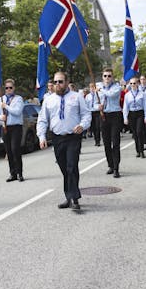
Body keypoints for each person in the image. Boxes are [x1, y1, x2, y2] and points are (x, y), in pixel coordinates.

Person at [36, 71, 91, 210]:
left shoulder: (76, 96)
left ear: (66, 82)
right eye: (55, 82)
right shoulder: (48, 100)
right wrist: (41, 136)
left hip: (73, 136)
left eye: (60, 81)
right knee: (64, 168)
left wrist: (82, 126)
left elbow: (86, 114)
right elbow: (42, 119)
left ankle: (75, 197)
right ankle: (69, 197)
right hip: (57, 138)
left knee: (72, 166)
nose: (57, 84)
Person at [0, 79, 25, 182]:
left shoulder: (18, 99)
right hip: (5, 127)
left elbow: (17, 112)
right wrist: (0, 117)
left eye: (10, 87)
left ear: (14, 88)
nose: (8, 90)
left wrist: (6, 106)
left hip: (15, 127)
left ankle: (20, 173)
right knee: (9, 151)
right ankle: (13, 174)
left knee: (15, 149)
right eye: (6, 88)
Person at [98, 68, 123, 178]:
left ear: (112, 78)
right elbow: (92, 104)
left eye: (109, 76)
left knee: (115, 142)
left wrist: (99, 90)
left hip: (115, 115)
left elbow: (110, 95)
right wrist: (98, 106)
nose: (107, 78)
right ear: (102, 77)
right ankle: (111, 165)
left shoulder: (116, 87)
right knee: (106, 143)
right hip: (104, 116)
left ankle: (116, 168)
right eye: (105, 76)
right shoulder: (98, 89)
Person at [123, 77, 146, 158]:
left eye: (134, 83)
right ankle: (137, 150)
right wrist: (125, 117)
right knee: (135, 133)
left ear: (137, 84)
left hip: (140, 113)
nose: (132, 85)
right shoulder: (127, 95)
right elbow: (125, 107)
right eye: (131, 83)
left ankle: (141, 151)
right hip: (131, 114)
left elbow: (145, 106)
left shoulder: (142, 94)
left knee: (139, 132)